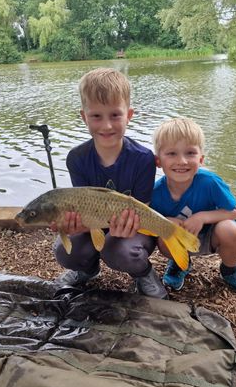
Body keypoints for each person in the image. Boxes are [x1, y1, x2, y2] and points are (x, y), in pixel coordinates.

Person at [52, 67, 168, 299]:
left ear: (129, 115)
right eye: (96, 116)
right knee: (64, 249)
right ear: (84, 117)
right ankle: (86, 270)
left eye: (115, 115)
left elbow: (142, 210)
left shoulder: (143, 158)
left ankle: (143, 273)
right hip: (94, 223)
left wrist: (126, 227)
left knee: (121, 250)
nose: (106, 126)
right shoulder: (77, 158)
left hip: (133, 226)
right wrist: (73, 225)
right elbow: (82, 208)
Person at [150, 117, 236, 300]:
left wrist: (202, 217)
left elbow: (235, 211)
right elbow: (148, 220)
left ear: (201, 159)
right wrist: (166, 221)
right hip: (182, 239)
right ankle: (180, 264)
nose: (182, 161)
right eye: (171, 153)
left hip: (211, 235)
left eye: (190, 153)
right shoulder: (155, 192)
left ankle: (231, 270)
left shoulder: (210, 182)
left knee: (229, 228)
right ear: (158, 161)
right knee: (165, 234)